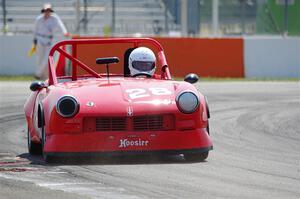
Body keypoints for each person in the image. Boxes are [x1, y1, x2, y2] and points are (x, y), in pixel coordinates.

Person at [33, 3, 69, 80]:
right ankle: (44, 78)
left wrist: (64, 32)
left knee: (47, 59)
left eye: (49, 10)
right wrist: (34, 39)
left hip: (49, 40)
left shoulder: (54, 18)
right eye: (46, 10)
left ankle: (38, 74)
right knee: (40, 59)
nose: (47, 12)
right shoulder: (39, 19)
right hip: (40, 39)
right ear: (43, 10)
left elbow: (61, 25)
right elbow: (35, 30)